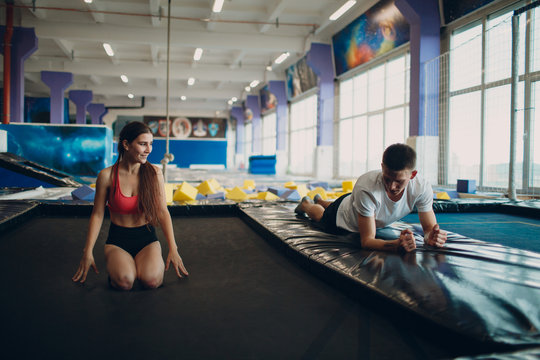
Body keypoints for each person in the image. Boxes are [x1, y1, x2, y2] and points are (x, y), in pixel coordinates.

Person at [72, 121, 188, 290]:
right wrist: (87, 251)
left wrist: (173, 248)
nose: (148, 149)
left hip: (146, 238)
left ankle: (140, 266)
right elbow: (97, 214)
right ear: (126, 144)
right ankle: (120, 269)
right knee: (125, 281)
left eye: (151, 144)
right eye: (143, 144)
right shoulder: (107, 176)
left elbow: (163, 212)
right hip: (118, 239)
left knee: (151, 281)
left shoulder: (154, 173)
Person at [295, 143, 447, 253]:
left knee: (341, 203)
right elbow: (367, 241)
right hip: (343, 215)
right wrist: (394, 246)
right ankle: (307, 204)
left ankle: (321, 200)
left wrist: (431, 237)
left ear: (412, 175)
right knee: (320, 215)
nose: (392, 186)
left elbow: (429, 230)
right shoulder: (366, 188)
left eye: (399, 181)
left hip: (355, 202)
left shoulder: (422, 187)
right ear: (382, 167)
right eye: (387, 179)